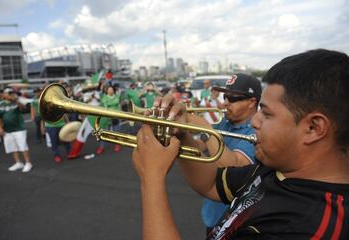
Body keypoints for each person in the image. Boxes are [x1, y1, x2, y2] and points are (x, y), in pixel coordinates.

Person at [132, 49, 349, 239]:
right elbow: (210, 185)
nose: (255, 121)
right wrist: (182, 134)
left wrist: (151, 178)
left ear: (314, 127)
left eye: (266, 113)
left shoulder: (306, 227)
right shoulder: (277, 169)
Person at [196, 74, 261, 236]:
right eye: (225, 97)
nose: (225, 103)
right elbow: (199, 147)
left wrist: (206, 128)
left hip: (235, 221)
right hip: (213, 213)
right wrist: (179, 131)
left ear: (251, 102)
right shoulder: (224, 122)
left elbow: (234, 165)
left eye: (231, 98)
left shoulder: (256, 131)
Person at [0, 88, 33, 172]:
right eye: (8, 93)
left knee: (23, 146)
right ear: (4, 95)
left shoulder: (17, 101)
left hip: (19, 129)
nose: (10, 94)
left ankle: (28, 163)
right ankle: (18, 163)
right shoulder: (0, 104)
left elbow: (23, 108)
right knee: (13, 147)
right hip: (7, 130)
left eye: (11, 93)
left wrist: (16, 100)